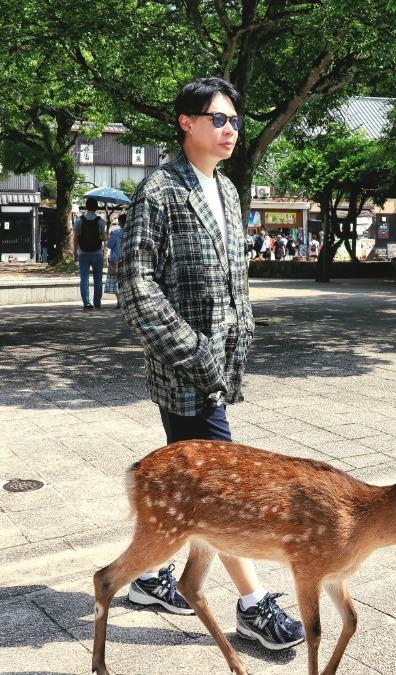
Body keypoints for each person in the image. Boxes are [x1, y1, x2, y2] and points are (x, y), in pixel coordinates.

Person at [117, 77, 304, 650]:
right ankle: (252, 604)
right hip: (185, 370)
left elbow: (234, 274)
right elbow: (136, 284)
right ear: (186, 123)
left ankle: (150, 577)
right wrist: (193, 352)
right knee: (222, 491)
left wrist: (241, 332)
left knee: (203, 485)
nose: (229, 129)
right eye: (217, 119)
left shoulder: (225, 190)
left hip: (223, 367)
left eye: (233, 121)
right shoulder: (160, 191)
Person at [73, 197, 107, 310]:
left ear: (86, 207)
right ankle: (97, 302)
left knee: (84, 278)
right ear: (96, 207)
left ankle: (87, 303)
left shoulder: (79, 221)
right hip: (97, 253)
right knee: (98, 279)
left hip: (83, 253)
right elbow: (105, 238)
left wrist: (74, 253)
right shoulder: (101, 221)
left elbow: (75, 239)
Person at [104, 213, 125, 302]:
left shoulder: (116, 233)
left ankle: (119, 301)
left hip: (115, 260)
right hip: (127, 260)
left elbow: (109, 245)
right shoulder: (131, 233)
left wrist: (109, 237)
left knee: (115, 281)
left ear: (120, 222)